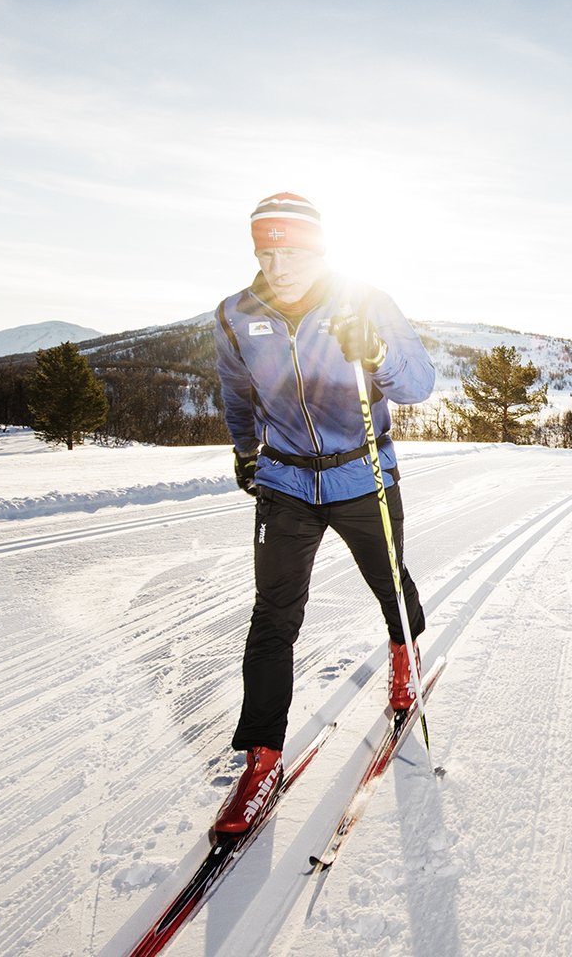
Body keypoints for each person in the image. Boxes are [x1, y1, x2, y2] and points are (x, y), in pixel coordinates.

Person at [209, 191, 435, 833]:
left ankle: (403, 660)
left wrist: (378, 355)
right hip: (284, 481)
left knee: (389, 582)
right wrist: (246, 450)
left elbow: (418, 385)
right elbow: (237, 390)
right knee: (273, 617)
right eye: (266, 252)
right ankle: (261, 759)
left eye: (293, 252)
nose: (279, 266)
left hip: (361, 474)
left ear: (320, 249)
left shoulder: (364, 302)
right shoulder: (234, 315)